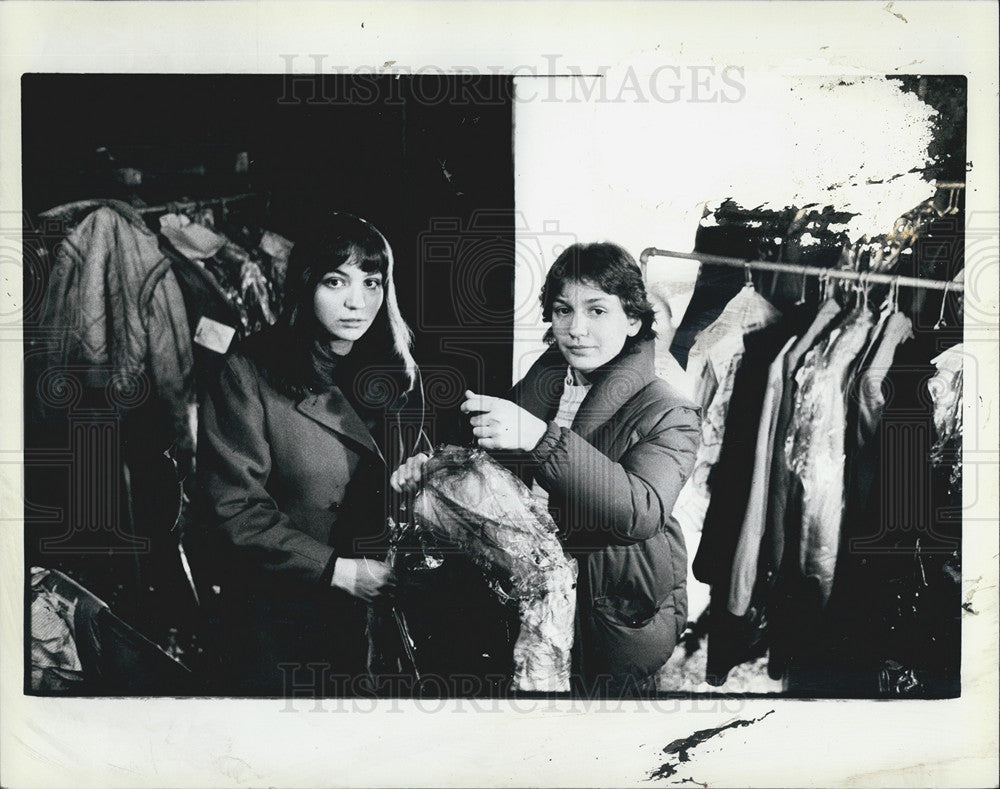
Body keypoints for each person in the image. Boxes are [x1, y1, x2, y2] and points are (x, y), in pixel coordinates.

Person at [393, 242, 699, 695]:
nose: (576, 329)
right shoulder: (546, 381)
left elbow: (642, 511)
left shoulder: (668, 408)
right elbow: (495, 480)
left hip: (610, 612)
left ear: (633, 320)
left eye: (597, 311)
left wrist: (539, 437)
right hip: (533, 600)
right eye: (563, 310)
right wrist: (433, 475)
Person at [198, 212, 420, 695]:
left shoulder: (397, 372)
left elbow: (401, 481)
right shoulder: (248, 371)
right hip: (281, 615)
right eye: (335, 281)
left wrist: (425, 478)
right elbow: (234, 510)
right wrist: (337, 571)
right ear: (306, 285)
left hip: (376, 611)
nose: (357, 302)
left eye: (372, 282)